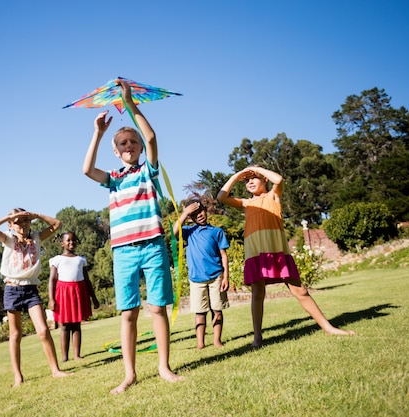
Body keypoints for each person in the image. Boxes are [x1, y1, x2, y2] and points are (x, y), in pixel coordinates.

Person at [82, 79, 184, 394]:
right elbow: (87, 169)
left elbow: (151, 136)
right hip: (124, 251)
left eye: (132, 143)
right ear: (116, 151)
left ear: (139, 149)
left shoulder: (147, 172)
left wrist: (129, 104)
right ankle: (129, 374)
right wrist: (98, 133)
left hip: (153, 246)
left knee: (157, 308)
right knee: (129, 312)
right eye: (123, 144)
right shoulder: (112, 179)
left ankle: (164, 367)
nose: (129, 147)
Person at [217, 166, 355, 347]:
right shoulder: (246, 203)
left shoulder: (273, 196)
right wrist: (237, 175)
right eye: (247, 180)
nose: (250, 182)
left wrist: (255, 168)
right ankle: (258, 338)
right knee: (257, 293)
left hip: (276, 249)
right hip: (255, 251)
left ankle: (328, 328)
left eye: (254, 178)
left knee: (300, 290)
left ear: (264, 180)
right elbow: (221, 197)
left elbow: (279, 180)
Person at [0, 208, 71, 386]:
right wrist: (8, 217)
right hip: (12, 289)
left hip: (31, 289)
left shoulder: (37, 237)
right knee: (15, 335)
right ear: (11, 225)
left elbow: (57, 224)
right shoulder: (7, 239)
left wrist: (37, 215)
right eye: (18, 222)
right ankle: (18, 376)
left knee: (43, 331)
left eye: (26, 221)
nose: (23, 225)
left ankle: (55, 370)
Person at [173, 198, 230, 349]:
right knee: (200, 312)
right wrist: (185, 212)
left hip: (216, 277)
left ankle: (217, 340)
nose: (199, 215)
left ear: (206, 210)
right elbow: (174, 232)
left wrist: (226, 277)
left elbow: (224, 255)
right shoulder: (188, 232)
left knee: (217, 310)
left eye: (201, 211)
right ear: (190, 217)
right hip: (196, 279)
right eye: (194, 214)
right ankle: (200, 344)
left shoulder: (216, 231)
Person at [48, 231, 100, 362]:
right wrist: (51, 299)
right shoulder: (57, 260)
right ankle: (65, 356)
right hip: (63, 294)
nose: (71, 242)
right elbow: (52, 280)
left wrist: (94, 298)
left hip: (78, 292)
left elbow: (87, 280)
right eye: (68, 240)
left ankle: (77, 354)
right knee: (65, 325)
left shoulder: (81, 260)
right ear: (62, 243)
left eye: (74, 240)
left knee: (77, 324)